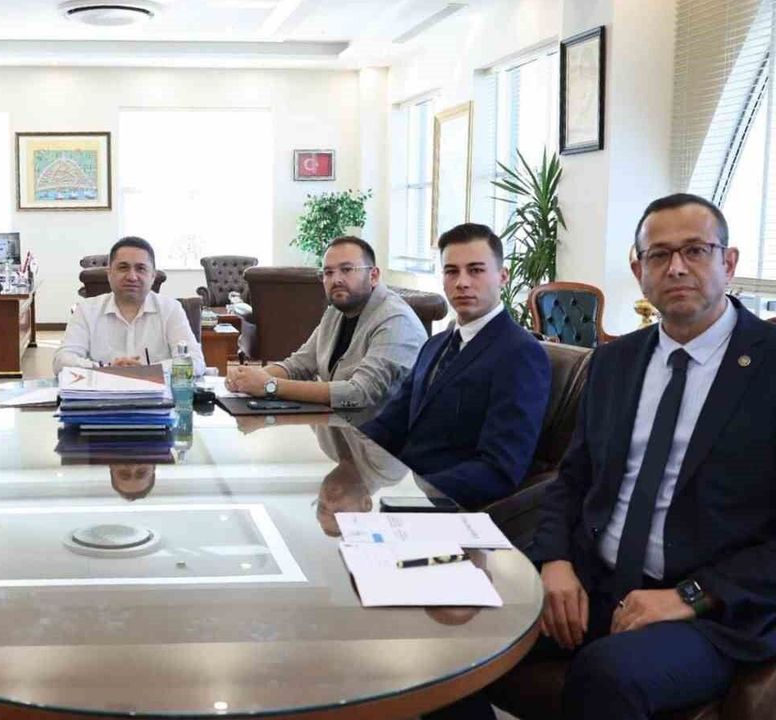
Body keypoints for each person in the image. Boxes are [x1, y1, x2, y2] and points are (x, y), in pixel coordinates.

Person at [449, 194, 775, 720]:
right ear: (638, 270)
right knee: (453, 626)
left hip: (712, 609)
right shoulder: (615, 361)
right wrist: (555, 561)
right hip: (594, 577)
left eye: (695, 250)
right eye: (658, 255)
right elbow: (573, 477)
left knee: (606, 675)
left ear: (729, 262)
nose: (676, 267)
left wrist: (689, 596)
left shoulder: (767, 366)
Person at [360, 223, 550, 508]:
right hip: (399, 492)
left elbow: (500, 468)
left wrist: (417, 498)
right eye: (451, 271)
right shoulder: (434, 345)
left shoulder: (520, 354)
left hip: (446, 507)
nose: (462, 282)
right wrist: (352, 463)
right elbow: (390, 424)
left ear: (503, 276)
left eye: (475, 270)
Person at [225, 236, 426, 415]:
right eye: (328, 272)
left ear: (373, 276)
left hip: (378, 440)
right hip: (338, 428)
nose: (336, 279)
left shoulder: (396, 320)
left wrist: (270, 385)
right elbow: (299, 365)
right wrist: (249, 378)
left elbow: (359, 394)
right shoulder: (336, 312)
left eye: (347, 270)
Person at [54, 236, 206, 374]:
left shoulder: (170, 309)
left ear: (153, 276)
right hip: (104, 392)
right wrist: (107, 368)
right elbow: (61, 362)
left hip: (156, 394)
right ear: (109, 274)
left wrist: (145, 371)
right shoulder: (86, 310)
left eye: (141, 268)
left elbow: (195, 362)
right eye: (123, 268)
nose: (132, 277)